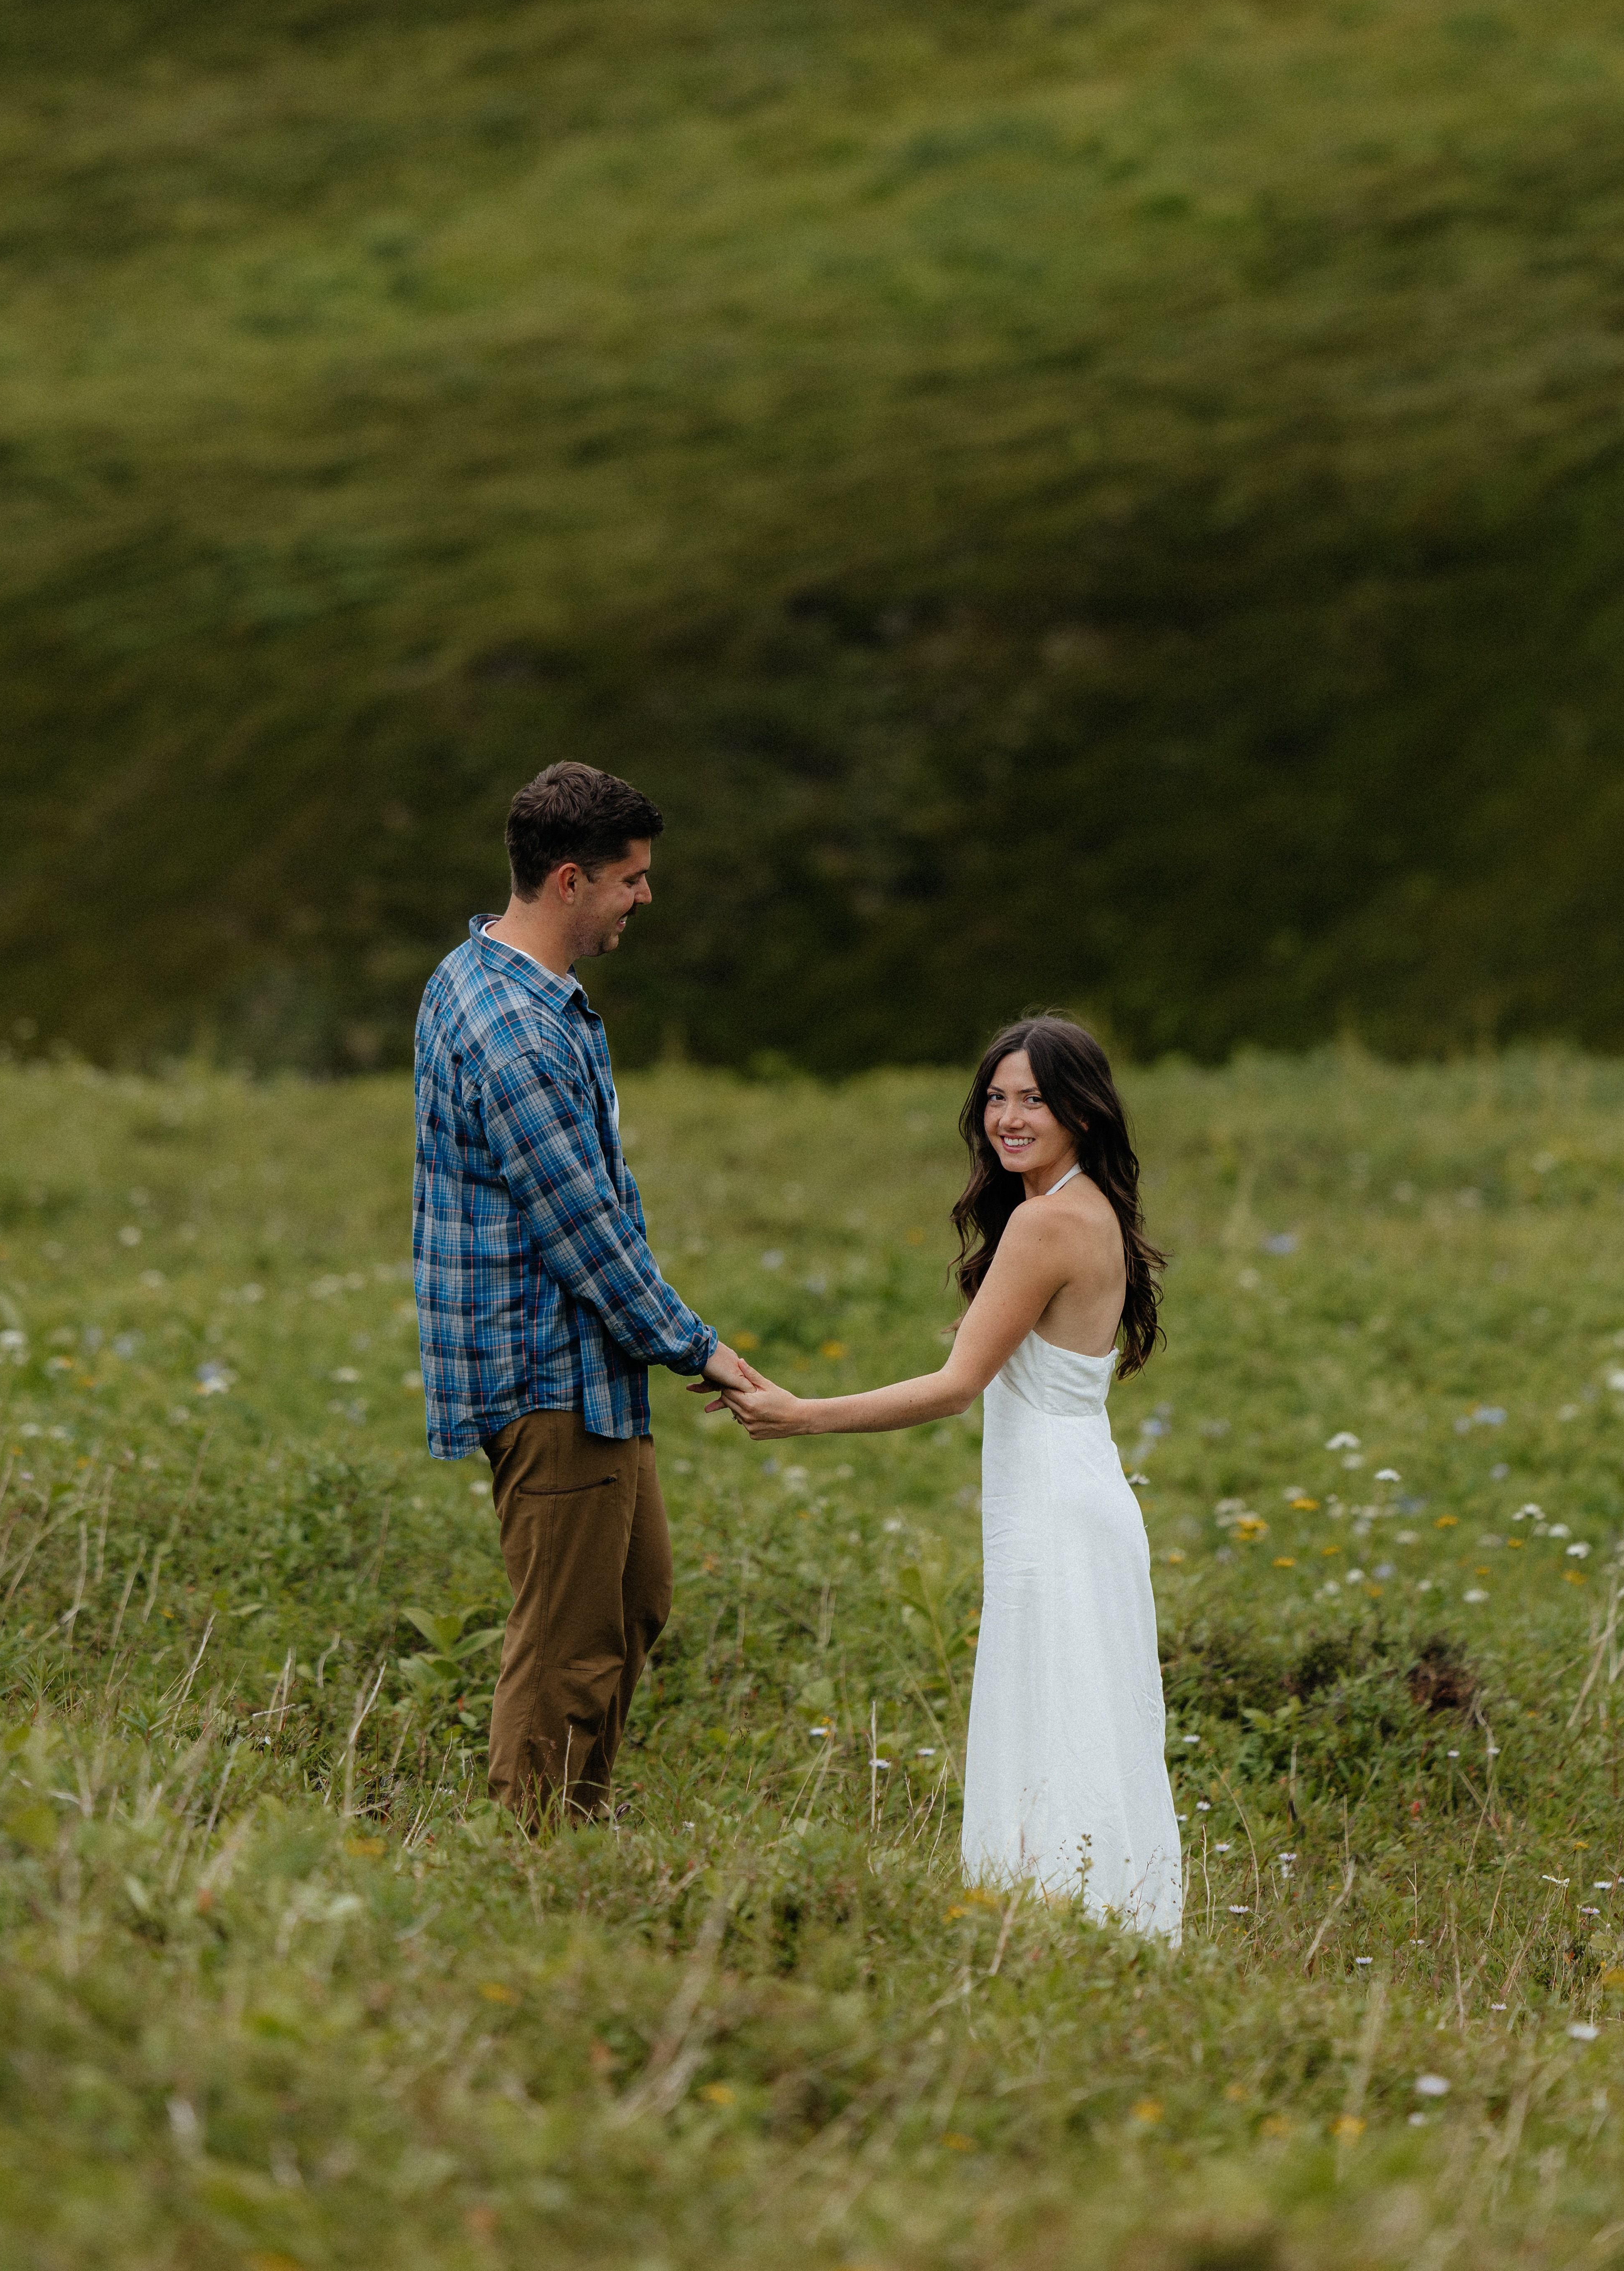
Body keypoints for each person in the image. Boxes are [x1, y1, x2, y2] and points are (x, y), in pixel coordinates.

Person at [714, 1013, 1180, 1935]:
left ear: (1081, 1112)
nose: (1008, 1118)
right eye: (997, 1098)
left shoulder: (1047, 1222)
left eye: (1034, 1100)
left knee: (1056, 1711)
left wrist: (801, 1413)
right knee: (1084, 1713)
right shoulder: (1089, 1209)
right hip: (1084, 1487)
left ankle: (1059, 1925)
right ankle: (1100, 1926)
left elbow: (956, 1387)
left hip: (1053, 1499)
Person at [413, 761, 754, 1821]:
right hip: (545, 1366)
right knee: (567, 1638)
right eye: (631, 879)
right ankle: (532, 1849)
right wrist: (698, 1346)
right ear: (569, 881)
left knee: (632, 1597)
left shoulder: (479, 975)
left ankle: (575, 1816)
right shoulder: (514, 1031)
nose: (643, 896)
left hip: (580, 1364)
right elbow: (583, 1230)